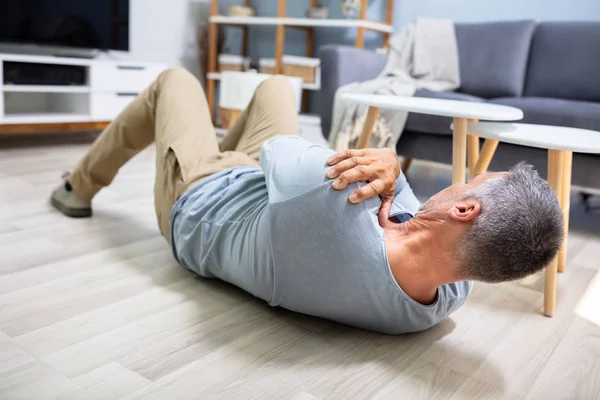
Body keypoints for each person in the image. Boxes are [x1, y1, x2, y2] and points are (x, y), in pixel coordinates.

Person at [50, 68, 564, 334]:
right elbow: (405, 214)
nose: (461, 181)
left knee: (174, 82)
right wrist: (390, 176)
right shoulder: (444, 299)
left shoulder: (333, 202)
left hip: (201, 202)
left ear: (464, 210)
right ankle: (211, 147)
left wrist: (385, 160)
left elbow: (278, 150)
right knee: (278, 85)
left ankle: (77, 187)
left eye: (471, 181)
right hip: (271, 194)